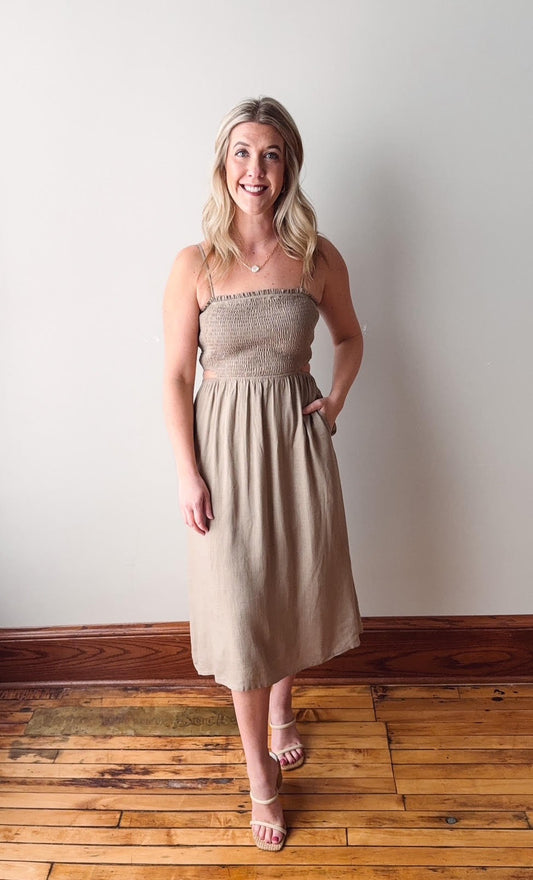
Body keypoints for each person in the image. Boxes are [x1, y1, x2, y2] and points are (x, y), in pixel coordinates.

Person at [163, 96, 363, 852]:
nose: (257, 168)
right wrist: (188, 473)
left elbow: (348, 339)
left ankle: (284, 708)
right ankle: (261, 780)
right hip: (222, 449)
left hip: (295, 441)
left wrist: (334, 402)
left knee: (288, 589)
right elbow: (175, 376)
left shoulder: (315, 254)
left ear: (289, 167)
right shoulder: (194, 263)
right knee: (243, 610)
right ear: (224, 163)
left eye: (272, 153)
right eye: (244, 152)